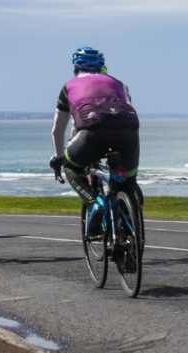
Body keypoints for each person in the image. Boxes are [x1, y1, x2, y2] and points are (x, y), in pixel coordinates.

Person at [49, 46, 140, 224]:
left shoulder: (69, 86)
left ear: (76, 67)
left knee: (71, 166)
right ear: (102, 67)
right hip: (128, 131)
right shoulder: (119, 83)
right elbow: (129, 108)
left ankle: (93, 203)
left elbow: (57, 130)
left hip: (93, 132)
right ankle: (130, 233)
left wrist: (59, 157)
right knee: (126, 183)